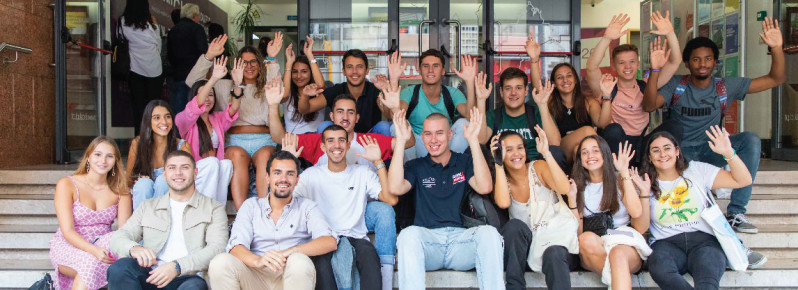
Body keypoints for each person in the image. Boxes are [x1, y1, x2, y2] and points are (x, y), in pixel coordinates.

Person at [642, 17, 786, 233]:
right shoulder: (677, 84)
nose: (702, 64)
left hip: (711, 151)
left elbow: (776, 78)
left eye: (708, 59)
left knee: (751, 140)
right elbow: (649, 105)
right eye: (696, 59)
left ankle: (736, 212)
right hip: (681, 155)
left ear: (715, 63)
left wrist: (776, 48)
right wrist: (655, 71)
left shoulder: (726, 86)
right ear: (687, 63)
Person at [268, 81, 412, 289]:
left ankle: (387, 275)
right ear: (332, 117)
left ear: (357, 118)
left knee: (384, 211)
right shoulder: (318, 149)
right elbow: (280, 138)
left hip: (363, 207)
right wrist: (274, 105)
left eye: (351, 112)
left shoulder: (368, 141)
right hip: (323, 217)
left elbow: (406, 141)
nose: (345, 117)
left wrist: (396, 110)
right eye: (340, 112)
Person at [387, 108, 504, 289]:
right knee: (407, 235)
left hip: (461, 242)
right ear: (422, 137)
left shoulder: (464, 162)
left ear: (450, 135)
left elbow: (485, 186)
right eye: (428, 134)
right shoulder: (416, 166)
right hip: (428, 243)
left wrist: (473, 141)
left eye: (439, 133)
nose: (433, 140)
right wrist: (401, 141)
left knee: (489, 234)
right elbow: (395, 187)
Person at [641, 128, 767, 289]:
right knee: (661, 271)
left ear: (677, 151)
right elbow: (640, 226)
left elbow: (743, 180)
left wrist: (729, 153)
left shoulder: (696, 170)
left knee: (708, 280)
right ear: (650, 157)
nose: (663, 154)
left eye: (667, 148)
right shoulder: (644, 182)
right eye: (655, 150)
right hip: (665, 243)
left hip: (704, 242)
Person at [286, 125, 398, 290]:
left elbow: (390, 199)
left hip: (357, 237)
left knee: (371, 260)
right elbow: (283, 202)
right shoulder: (311, 175)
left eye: (341, 140)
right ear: (323, 147)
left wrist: (378, 161)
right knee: (321, 268)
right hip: (323, 239)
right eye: (330, 141)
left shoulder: (363, 172)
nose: (336, 145)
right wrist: (290, 165)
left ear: (348, 144)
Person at [208, 151, 338, 290]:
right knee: (220, 262)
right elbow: (236, 247)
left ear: (297, 180)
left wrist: (291, 251)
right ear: (267, 177)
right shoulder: (251, 206)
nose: (283, 179)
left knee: (299, 260)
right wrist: (258, 261)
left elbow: (329, 241)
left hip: (290, 276)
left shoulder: (307, 207)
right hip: (255, 276)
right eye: (277, 173)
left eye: (290, 174)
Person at [185, 33, 283, 209]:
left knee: (265, 157)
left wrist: (272, 58)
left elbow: (278, 86)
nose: (249, 66)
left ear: (260, 65)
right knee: (236, 157)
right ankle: (242, 215)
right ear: (236, 64)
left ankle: (264, 212)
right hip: (235, 141)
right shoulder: (224, 86)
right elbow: (192, 82)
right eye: (244, 62)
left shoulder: (266, 86)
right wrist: (209, 56)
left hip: (264, 140)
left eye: (254, 61)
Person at [108, 151, 228, 290]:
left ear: (195, 173)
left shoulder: (213, 208)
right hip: (152, 274)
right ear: (164, 174)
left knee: (194, 287)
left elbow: (217, 248)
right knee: (120, 268)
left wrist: (177, 266)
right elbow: (119, 237)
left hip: (187, 277)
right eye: (172, 168)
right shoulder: (148, 206)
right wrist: (133, 248)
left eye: (185, 167)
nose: (178, 172)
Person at [492, 129, 579, 290]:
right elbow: (503, 203)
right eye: (508, 150)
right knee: (513, 227)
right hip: (528, 251)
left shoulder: (538, 167)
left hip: (559, 245)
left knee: (554, 253)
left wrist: (546, 153)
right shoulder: (503, 181)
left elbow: (564, 188)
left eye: (519, 148)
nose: (516, 154)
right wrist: (498, 164)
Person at [585, 12, 682, 157]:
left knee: (675, 125)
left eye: (631, 62)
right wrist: (606, 39)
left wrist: (670, 33)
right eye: (622, 63)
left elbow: (675, 62)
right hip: (616, 146)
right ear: (614, 66)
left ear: (637, 64)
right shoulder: (607, 87)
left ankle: (665, 165)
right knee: (613, 129)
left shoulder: (646, 85)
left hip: (641, 145)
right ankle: (617, 172)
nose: (627, 67)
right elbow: (591, 67)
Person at [49, 136, 132, 290]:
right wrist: (94, 251)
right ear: (88, 157)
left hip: (103, 244)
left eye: (110, 156)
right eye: (98, 154)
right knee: (89, 262)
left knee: (117, 242)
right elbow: (67, 231)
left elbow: (124, 231)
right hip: (70, 245)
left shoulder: (121, 191)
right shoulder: (67, 184)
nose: (103, 160)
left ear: (116, 161)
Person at [572, 136, 651, 289]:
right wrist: (571, 200)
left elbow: (636, 212)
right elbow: (577, 233)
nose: (590, 156)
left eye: (596, 150)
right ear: (579, 159)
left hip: (623, 238)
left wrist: (624, 173)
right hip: (596, 245)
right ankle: (619, 280)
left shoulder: (620, 179)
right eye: (585, 152)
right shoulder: (578, 187)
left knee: (617, 254)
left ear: (605, 154)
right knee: (585, 238)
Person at [474, 47, 567, 169]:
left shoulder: (535, 113)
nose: (513, 93)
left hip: (536, 170)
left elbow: (555, 143)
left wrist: (543, 105)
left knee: (556, 153)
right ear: (501, 92)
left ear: (526, 91)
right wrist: (481, 100)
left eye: (518, 88)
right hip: (504, 170)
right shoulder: (494, 115)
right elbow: (480, 141)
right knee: (475, 150)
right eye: (508, 88)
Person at [381, 49, 477, 159]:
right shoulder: (410, 92)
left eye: (436, 66)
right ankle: (410, 170)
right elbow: (395, 115)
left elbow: (471, 117)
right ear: (419, 70)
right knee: (397, 125)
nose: (430, 70)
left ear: (443, 70)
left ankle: (451, 167)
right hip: (417, 145)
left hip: (444, 144)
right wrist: (394, 79)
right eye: (426, 66)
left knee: (463, 123)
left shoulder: (452, 93)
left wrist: (470, 81)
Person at [176, 57, 242, 205]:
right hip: (194, 172)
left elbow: (234, 108)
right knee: (213, 163)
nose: (207, 99)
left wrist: (238, 84)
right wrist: (213, 78)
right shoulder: (184, 119)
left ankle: (217, 210)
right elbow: (195, 107)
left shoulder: (216, 119)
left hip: (214, 171)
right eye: (203, 95)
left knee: (226, 164)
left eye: (210, 95)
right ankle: (206, 211)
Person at [303, 49, 394, 135]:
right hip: (340, 139)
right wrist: (304, 95)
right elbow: (305, 109)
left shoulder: (374, 90)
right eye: (350, 67)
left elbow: (388, 115)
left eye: (359, 67)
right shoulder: (336, 90)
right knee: (324, 126)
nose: (354, 71)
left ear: (367, 70)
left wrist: (385, 92)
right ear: (344, 71)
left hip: (369, 140)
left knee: (384, 126)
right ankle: (325, 152)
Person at [126, 100, 191, 209]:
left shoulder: (182, 146)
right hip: (143, 201)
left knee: (163, 181)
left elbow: (189, 182)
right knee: (144, 184)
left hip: (173, 204)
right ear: (148, 121)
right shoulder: (138, 144)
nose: (164, 122)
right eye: (157, 117)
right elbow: (128, 180)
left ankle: (159, 224)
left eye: (167, 116)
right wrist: (137, 179)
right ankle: (142, 224)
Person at [536, 62, 600, 162]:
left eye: (569, 76)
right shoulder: (549, 102)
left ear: (575, 80)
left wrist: (606, 96)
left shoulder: (588, 102)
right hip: (560, 148)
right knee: (588, 130)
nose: (565, 80)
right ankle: (603, 167)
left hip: (582, 150)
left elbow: (603, 123)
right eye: (560, 77)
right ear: (554, 84)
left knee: (577, 150)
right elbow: (538, 87)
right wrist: (534, 59)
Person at [120, 0, 163, 136]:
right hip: (155, 69)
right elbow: (158, 43)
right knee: (155, 108)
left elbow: (121, 39)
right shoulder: (152, 21)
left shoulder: (123, 21)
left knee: (138, 108)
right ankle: (154, 138)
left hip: (135, 69)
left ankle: (139, 141)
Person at [167, 3, 208, 114]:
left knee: (179, 112)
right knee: (194, 111)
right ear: (194, 15)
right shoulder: (197, 29)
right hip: (194, 76)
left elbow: (169, 55)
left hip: (177, 75)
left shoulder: (173, 31)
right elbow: (204, 53)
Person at [281, 37, 327, 134]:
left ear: (311, 73)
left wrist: (310, 55)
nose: (299, 76)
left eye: (304, 71)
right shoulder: (287, 93)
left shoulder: (318, 92)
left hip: (315, 141)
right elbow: (283, 94)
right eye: (295, 72)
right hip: (293, 142)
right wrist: (289, 63)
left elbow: (320, 85)